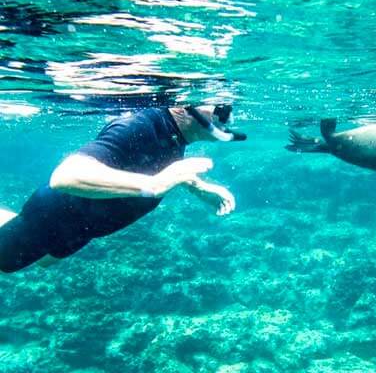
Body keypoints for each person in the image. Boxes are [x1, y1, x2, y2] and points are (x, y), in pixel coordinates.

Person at [0, 104, 247, 273]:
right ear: (187, 106)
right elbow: (66, 176)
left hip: (80, 230)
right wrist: (155, 185)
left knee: (46, 262)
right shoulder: (141, 125)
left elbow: (157, 166)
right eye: (222, 109)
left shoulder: (173, 135)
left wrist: (196, 186)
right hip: (52, 220)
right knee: (7, 262)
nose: (228, 118)